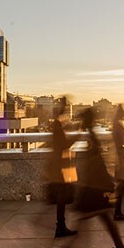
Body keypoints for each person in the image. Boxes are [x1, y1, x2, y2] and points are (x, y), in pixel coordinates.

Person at [52, 108, 124, 248]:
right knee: (100, 215)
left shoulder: (92, 136)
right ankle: (120, 247)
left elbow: (98, 163)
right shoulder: (91, 134)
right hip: (96, 185)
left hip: (96, 186)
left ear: (87, 120)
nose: (80, 122)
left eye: (82, 119)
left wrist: (104, 185)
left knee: (86, 215)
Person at [47, 97, 78, 238]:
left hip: (58, 164)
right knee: (62, 197)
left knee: (61, 197)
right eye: (65, 108)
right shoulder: (58, 126)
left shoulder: (57, 124)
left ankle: (61, 226)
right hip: (59, 166)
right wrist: (76, 136)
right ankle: (60, 227)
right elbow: (63, 144)